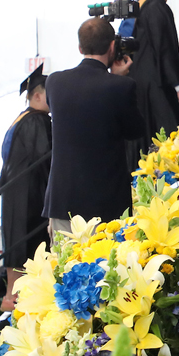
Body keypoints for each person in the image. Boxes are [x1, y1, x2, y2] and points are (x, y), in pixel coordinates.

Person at [43, 18, 144, 229]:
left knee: (64, 261)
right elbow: (135, 130)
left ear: (80, 48)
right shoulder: (121, 86)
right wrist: (117, 78)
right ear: (113, 46)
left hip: (63, 201)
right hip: (106, 204)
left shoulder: (54, 81)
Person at [0, 66, 52, 310]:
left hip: (14, 193)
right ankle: (15, 303)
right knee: (27, 251)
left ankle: (10, 298)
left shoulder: (20, 118)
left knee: (16, 247)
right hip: (30, 196)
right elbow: (47, 158)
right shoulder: (37, 121)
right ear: (38, 96)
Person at [128, 0, 179, 144]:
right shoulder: (156, 7)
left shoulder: (141, 4)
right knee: (170, 136)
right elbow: (164, 48)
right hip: (155, 82)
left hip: (143, 79)